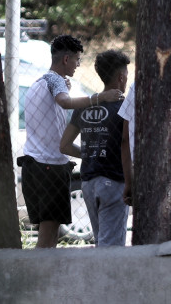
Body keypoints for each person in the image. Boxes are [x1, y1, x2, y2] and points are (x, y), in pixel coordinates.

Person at [20, 35, 122, 248]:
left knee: (49, 236)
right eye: (77, 60)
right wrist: (100, 98)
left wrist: (92, 154)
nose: (78, 65)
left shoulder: (39, 83)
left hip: (34, 166)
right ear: (66, 59)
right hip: (49, 168)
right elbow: (65, 103)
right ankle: (39, 278)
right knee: (47, 239)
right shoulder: (55, 80)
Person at [60, 50, 131, 246]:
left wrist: (92, 153)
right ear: (121, 77)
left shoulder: (85, 105)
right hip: (114, 182)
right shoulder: (124, 107)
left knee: (101, 241)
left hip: (88, 183)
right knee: (111, 247)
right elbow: (126, 143)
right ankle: (105, 277)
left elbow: (64, 145)